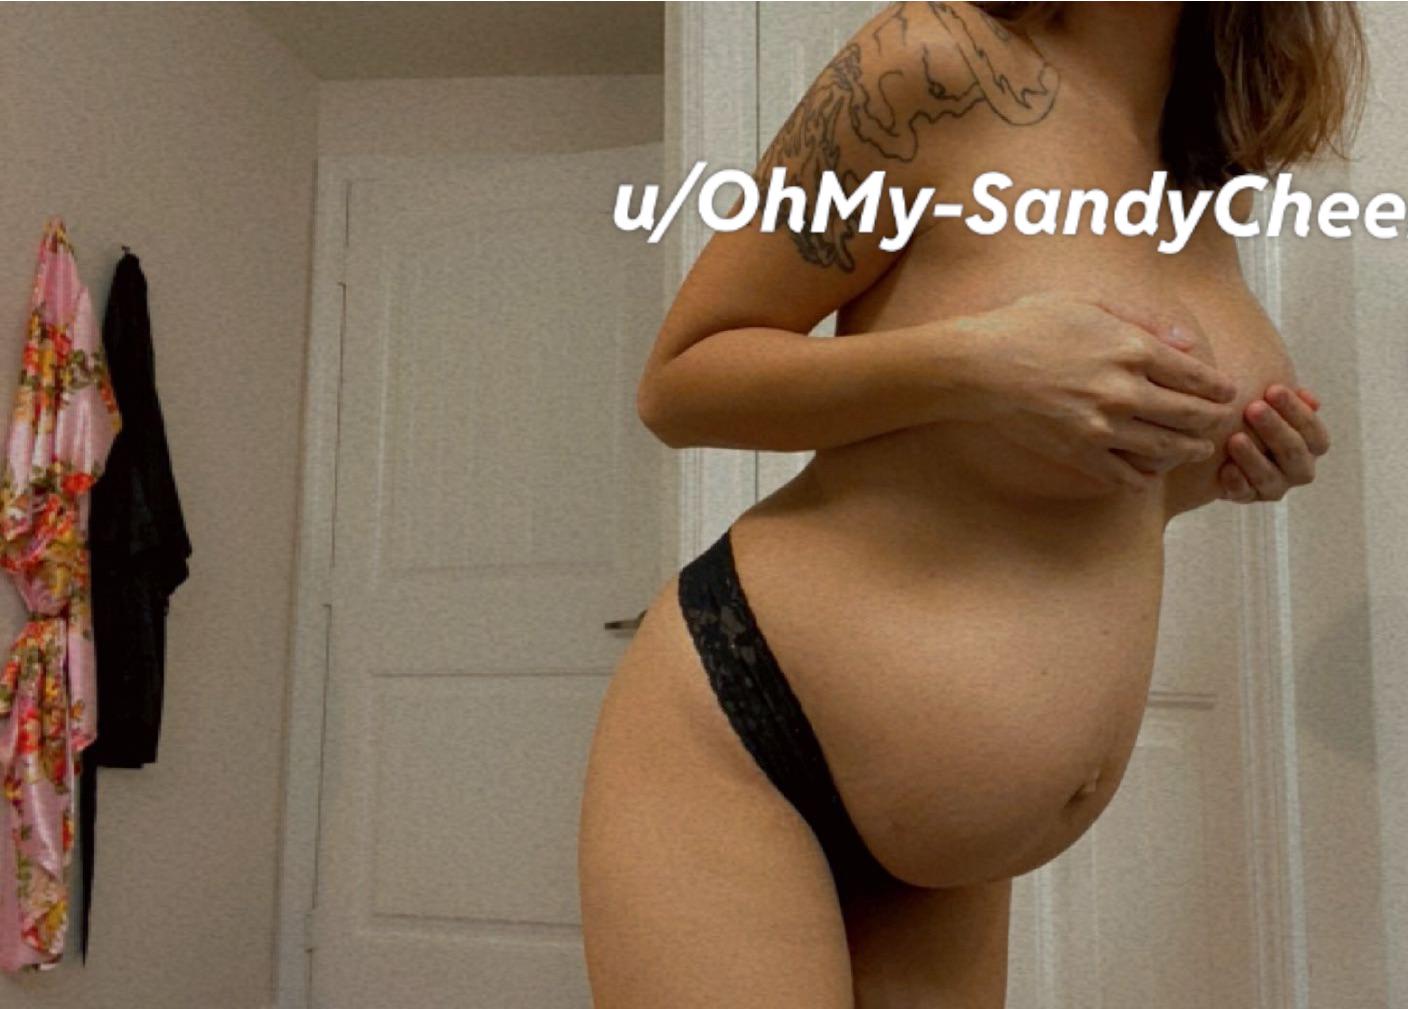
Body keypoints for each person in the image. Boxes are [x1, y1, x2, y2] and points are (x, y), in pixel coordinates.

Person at [579, 3, 1365, 1006]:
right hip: (752, 731)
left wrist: (1230, 461)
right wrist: (978, 363)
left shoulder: (1203, 154)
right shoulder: (932, 59)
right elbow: (681, 385)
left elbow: (1050, 490)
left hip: (949, 844)